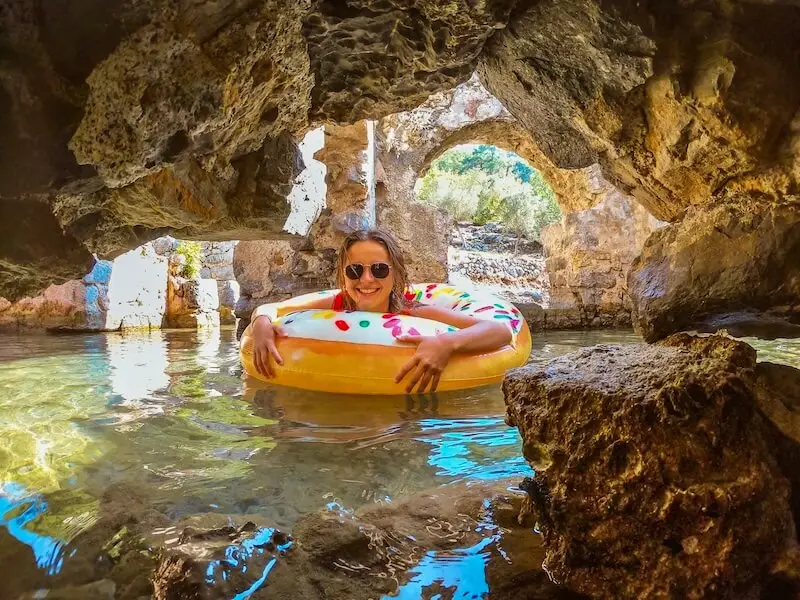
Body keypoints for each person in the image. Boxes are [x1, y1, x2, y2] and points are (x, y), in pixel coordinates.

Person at [249, 229, 514, 393]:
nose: (366, 280)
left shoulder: (413, 312)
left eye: (379, 269)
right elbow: (273, 308)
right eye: (355, 270)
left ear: (395, 273)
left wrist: (447, 343)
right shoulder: (337, 304)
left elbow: (500, 332)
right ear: (343, 275)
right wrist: (261, 322)